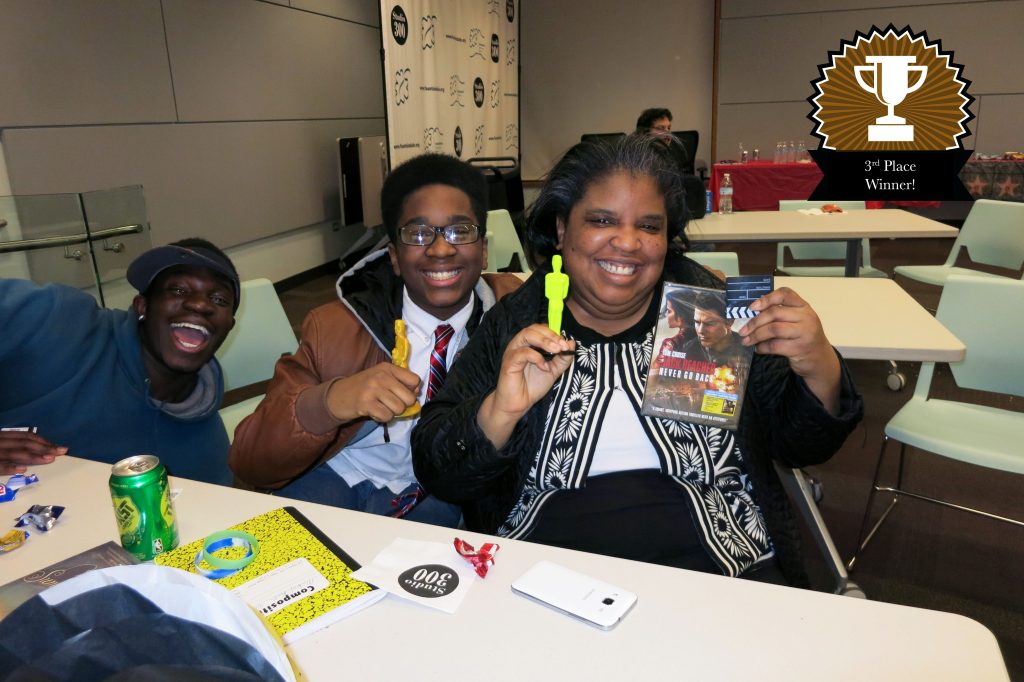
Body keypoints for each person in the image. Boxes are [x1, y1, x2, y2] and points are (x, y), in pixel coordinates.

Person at [412, 135, 863, 586]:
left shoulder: (710, 310)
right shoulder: (515, 322)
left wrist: (817, 363)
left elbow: (802, 446)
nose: (628, 242)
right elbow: (440, 470)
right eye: (602, 220)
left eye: (649, 226)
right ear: (562, 229)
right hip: (547, 576)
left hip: (723, 571)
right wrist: (500, 410)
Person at [228, 153, 522, 527]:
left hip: (449, 492)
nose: (440, 249)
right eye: (417, 234)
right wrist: (330, 401)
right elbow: (250, 463)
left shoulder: (516, 321)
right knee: (267, 571)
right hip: (342, 474)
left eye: (459, 231)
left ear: (483, 248)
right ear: (394, 257)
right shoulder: (334, 326)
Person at [0, 238, 240, 484]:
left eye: (219, 299)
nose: (200, 304)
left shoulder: (208, 449)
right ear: (142, 306)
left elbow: (228, 517)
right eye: (178, 289)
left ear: (228, 326)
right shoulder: (62, 321)